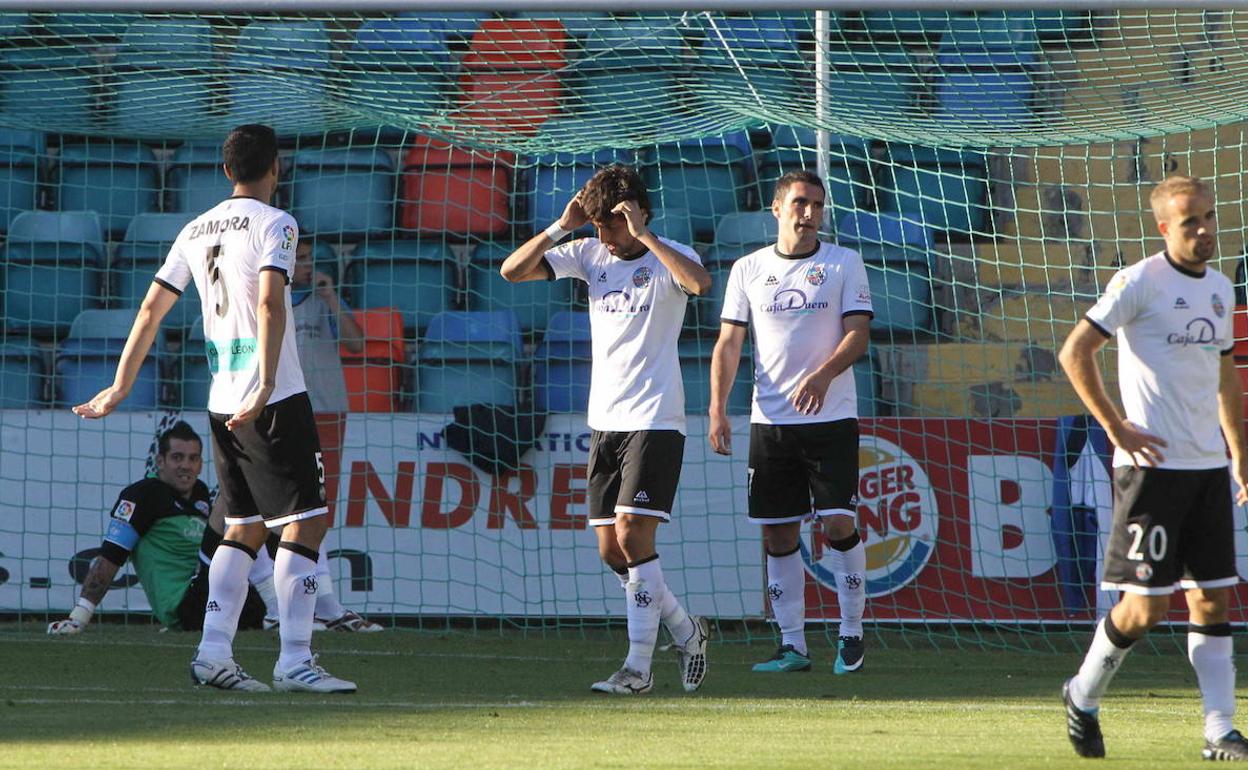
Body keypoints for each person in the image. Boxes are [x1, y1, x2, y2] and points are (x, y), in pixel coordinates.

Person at [73, 124, 355, 694]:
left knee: (243, 527)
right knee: (306, 522)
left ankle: (211, 654)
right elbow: (272, 301)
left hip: (220, 397)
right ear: (275, 168)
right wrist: (268, 380)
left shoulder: (195, 228)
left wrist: (121, 384)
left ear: (227, 171)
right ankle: (295, 659)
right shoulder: (278, 223)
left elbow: (151, 309)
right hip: (269, 398)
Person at [500, 164, 713, 694]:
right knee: (609, 551)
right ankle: (687, 629)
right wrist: (561, 226)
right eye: (596, 226)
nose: (603, 238)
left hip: (656, 418)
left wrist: (643, 236)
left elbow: (699, 284)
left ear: (636, 214)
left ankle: (637, 670)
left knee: (632, 534)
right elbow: (511, 272)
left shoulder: (670, 256)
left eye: (611, 226)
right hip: (605, 421)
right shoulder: (589, 252)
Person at [1058, 174, 1248, 761]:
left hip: (1207, 468)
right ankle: (1083, 694)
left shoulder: (1220, 288)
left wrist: (1239, 452)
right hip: (1151, 471)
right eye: (1191, 221)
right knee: (1146, 608)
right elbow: (1074, 352)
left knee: (1213, 600)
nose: (1205, 229)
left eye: (1210, 217)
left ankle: (1220, 730)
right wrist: (1115, 426)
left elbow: (1224, 379)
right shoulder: (1138, 281)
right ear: (1164, 226)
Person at [708, 169, 873, 675]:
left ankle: (851, 634)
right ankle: (793, 645)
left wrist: (823, 377)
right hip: (770, 423)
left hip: (832, 419)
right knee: (777, 535)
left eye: (817, 205)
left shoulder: (845, 263)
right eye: (800, 203)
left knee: (838, 523)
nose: (809, 213)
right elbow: (730, 343)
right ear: (776, 209)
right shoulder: (748, 269)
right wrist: (718, 408)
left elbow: (858, 336)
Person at [46, 421, 268, 635]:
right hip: (186, 603)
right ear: (160, 461)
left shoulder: (200, 493)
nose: (185, 466)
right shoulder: (142, 496)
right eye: (177, 458)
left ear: (200, 464)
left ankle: (280, 609)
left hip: (216, 590)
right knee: (237, 498)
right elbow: (111, 555)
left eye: (193, 459)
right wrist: (79, 617)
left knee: (259, 610)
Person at [289, 239, 382, 634]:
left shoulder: (322, 301)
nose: (308, 266)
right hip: (283, 413)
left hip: (327, 413)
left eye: (310, 258)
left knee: (318, 512)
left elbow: (357, 343)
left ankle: (313, 602)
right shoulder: (266, 301)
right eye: (301, 259)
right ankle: (297, 603)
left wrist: (330, 298)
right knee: (284, 511)